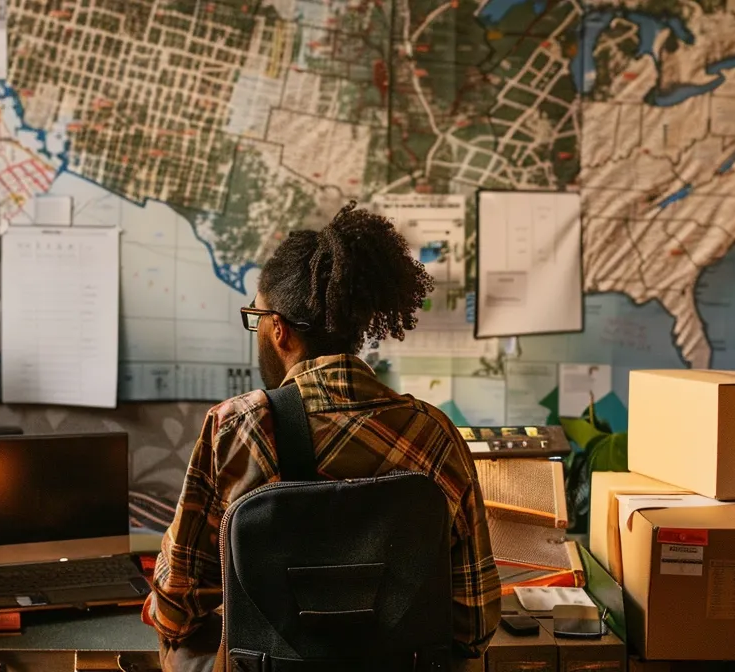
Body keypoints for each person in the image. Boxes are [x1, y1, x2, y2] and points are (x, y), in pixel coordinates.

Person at [146, 203, 501, 670]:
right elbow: (473, 624)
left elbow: (178, 610)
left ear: (278, 330)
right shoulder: (433, 434)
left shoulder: (234, 427)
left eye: (257, 320)